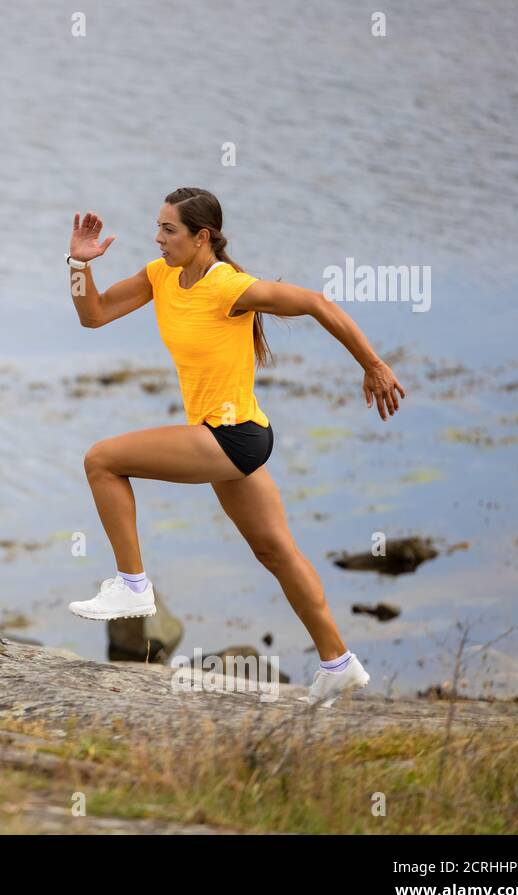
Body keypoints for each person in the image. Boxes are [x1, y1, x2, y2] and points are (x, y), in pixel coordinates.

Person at [63, 187, 405, 708]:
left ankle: (133, 585)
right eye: (157, 227)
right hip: (231, 438)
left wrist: (373, 364)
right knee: (276, 552)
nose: (158, 238)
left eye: (169, 230)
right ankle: (338, 663)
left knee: (102, 459)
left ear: (203, 238)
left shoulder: (230, 287)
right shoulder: (161, 278)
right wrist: (77, 264)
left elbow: (316, 302)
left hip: (231, 437)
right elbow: (93, 315)